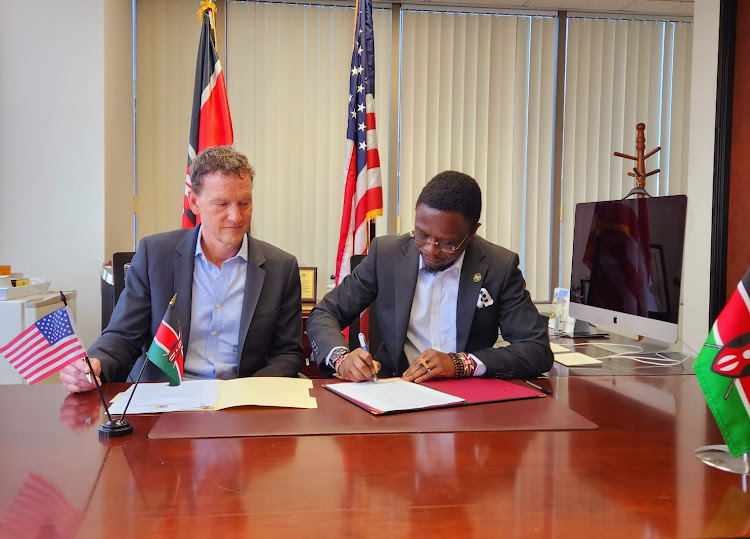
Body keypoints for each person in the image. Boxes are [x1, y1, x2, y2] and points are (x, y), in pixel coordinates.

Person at [61, 146, 303, 393]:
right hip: (166, 397)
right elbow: (123, 335)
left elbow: (288, 353)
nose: (236, 217)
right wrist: (95, 363)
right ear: (194, 203)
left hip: (242, 400)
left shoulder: (280, 267)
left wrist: (248, 391)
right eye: (222, 204)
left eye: (245, 203)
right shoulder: (154, 255)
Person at [307, 170, 552, 382]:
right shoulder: (386, 255)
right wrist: (341, 359)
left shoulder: (499, 266)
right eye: (422, 234)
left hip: (469, 398)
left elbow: (536, 350)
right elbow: (325, 313)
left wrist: (459, 364)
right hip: (396, 389)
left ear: (472, 232)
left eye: (447, 243)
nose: (430, 249)